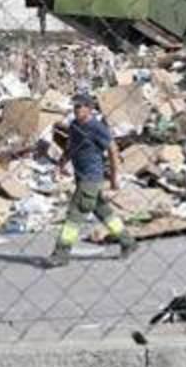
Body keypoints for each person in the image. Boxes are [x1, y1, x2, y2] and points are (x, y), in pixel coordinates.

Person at [46, 94, 138, 267]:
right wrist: (61, 163)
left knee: (74, 214)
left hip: (92, 177)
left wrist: (114, 178)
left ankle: (61, 253)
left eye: (80, 106)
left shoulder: (97, 128)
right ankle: (128, 242)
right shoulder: (74, 126)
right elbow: (70, 146)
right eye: (74, 106)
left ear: (89, 108)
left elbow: (112, 150)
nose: (76, 110)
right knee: (104, 212)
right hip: (81, 177)